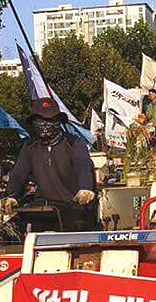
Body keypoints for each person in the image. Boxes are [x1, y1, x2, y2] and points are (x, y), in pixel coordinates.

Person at [5, 97, 96, 231]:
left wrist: (85, 187)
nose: (45, 125)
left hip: (72, 207)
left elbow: (83, 166)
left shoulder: (74, 143)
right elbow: (19, 173)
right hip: (43, 208)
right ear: (34, 122)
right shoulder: (30, 147)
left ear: (58, 121)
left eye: (50, 120)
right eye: (40, 120)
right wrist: (12, 196)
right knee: (12, 232)